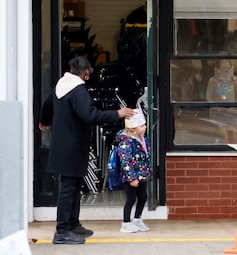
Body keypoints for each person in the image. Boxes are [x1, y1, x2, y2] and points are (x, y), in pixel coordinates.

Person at [39, 56, 135, 245]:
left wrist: (44, 121)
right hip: (72, 147)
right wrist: (118, 113)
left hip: (64, 146)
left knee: (73, 188)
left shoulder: (61, 85)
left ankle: (73, 225)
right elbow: (91, 115)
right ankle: (62, 231)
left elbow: (47, 105)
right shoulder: (78, 91)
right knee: (68, 190)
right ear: (86, 72)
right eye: (89, 72)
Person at [115, 110, 152, 233]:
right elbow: (126, 162)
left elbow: (146, 156)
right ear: (133, 129)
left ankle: (137, 219)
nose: (145, 127)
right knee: (131, 199)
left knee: (143, 197)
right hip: (131, 177)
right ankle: (126, 223)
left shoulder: (144, 140)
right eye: (142, 125)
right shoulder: (126, 143)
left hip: (142, 175)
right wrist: (132, 178)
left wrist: (147, 172)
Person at [205, 59, 237, 143]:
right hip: (218, 115)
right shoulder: (213, 81)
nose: (225, 65)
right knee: (219, 139)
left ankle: (233, 154)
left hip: (231, 114)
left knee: (233, 139)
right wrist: (216, 107)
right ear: (218, 65)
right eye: (223, 62)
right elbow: (208, 97)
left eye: (227, 62)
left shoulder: (235, 80)